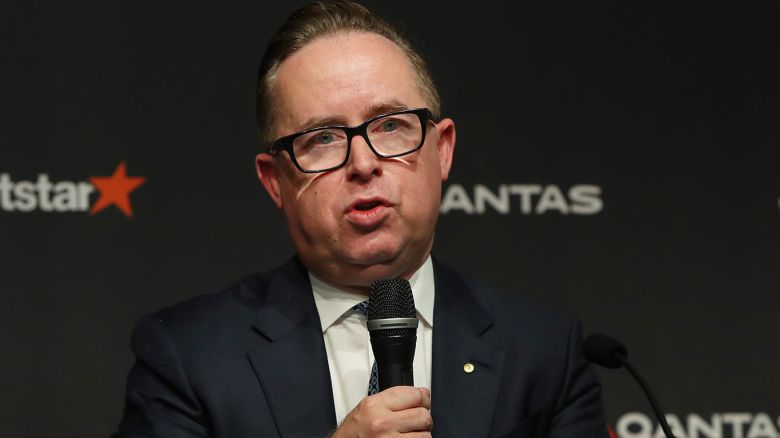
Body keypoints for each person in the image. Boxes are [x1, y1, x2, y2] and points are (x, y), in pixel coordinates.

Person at [114, 1, 609, 437]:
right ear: (275, 181)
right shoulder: (188, 354)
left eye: (390, 125)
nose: (364, 163)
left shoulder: (544, 351)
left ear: (442, 150)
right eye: (323, 138)